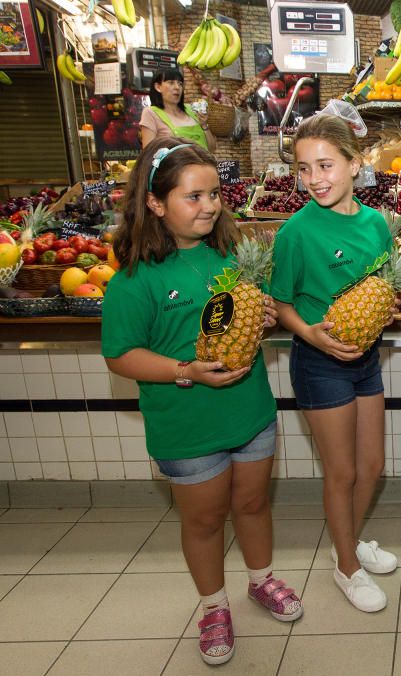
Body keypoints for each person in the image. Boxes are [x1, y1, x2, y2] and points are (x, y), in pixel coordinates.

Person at [102, 138, 301, 666]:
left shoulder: (231, 254)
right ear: (154, 203)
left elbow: (256, 315)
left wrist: (263, 318)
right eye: (193, 197)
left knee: (255, 504)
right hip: (186, 422)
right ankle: (213, 605)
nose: (210, 206)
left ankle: (261, 579)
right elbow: (121, 356)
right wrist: (185, 371)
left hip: (250, 409)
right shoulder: (133, 278)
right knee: (206, 521)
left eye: (214, 194)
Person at [271, 114, 399, 612]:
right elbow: (279, 303)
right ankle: (347, 565)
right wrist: (310, 334)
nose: (315, 178)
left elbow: (386, 287)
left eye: (325, 165)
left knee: (372, 465)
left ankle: (348, 539)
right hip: (318, 362)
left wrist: (386, 307)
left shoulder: (375, 224)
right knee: (341, 471)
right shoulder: (297, 233)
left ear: (355, 163)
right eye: (304, 169)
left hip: (364, 358)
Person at [139, 69, 217, 152]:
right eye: (171, 83)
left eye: (180, 84)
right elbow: (148, 152)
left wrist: (204, 125)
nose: (177, 87)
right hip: (174, 165)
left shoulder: (192, 109)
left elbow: (212, 148)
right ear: (158, 87)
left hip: (204, 163)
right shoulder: (150, 113)